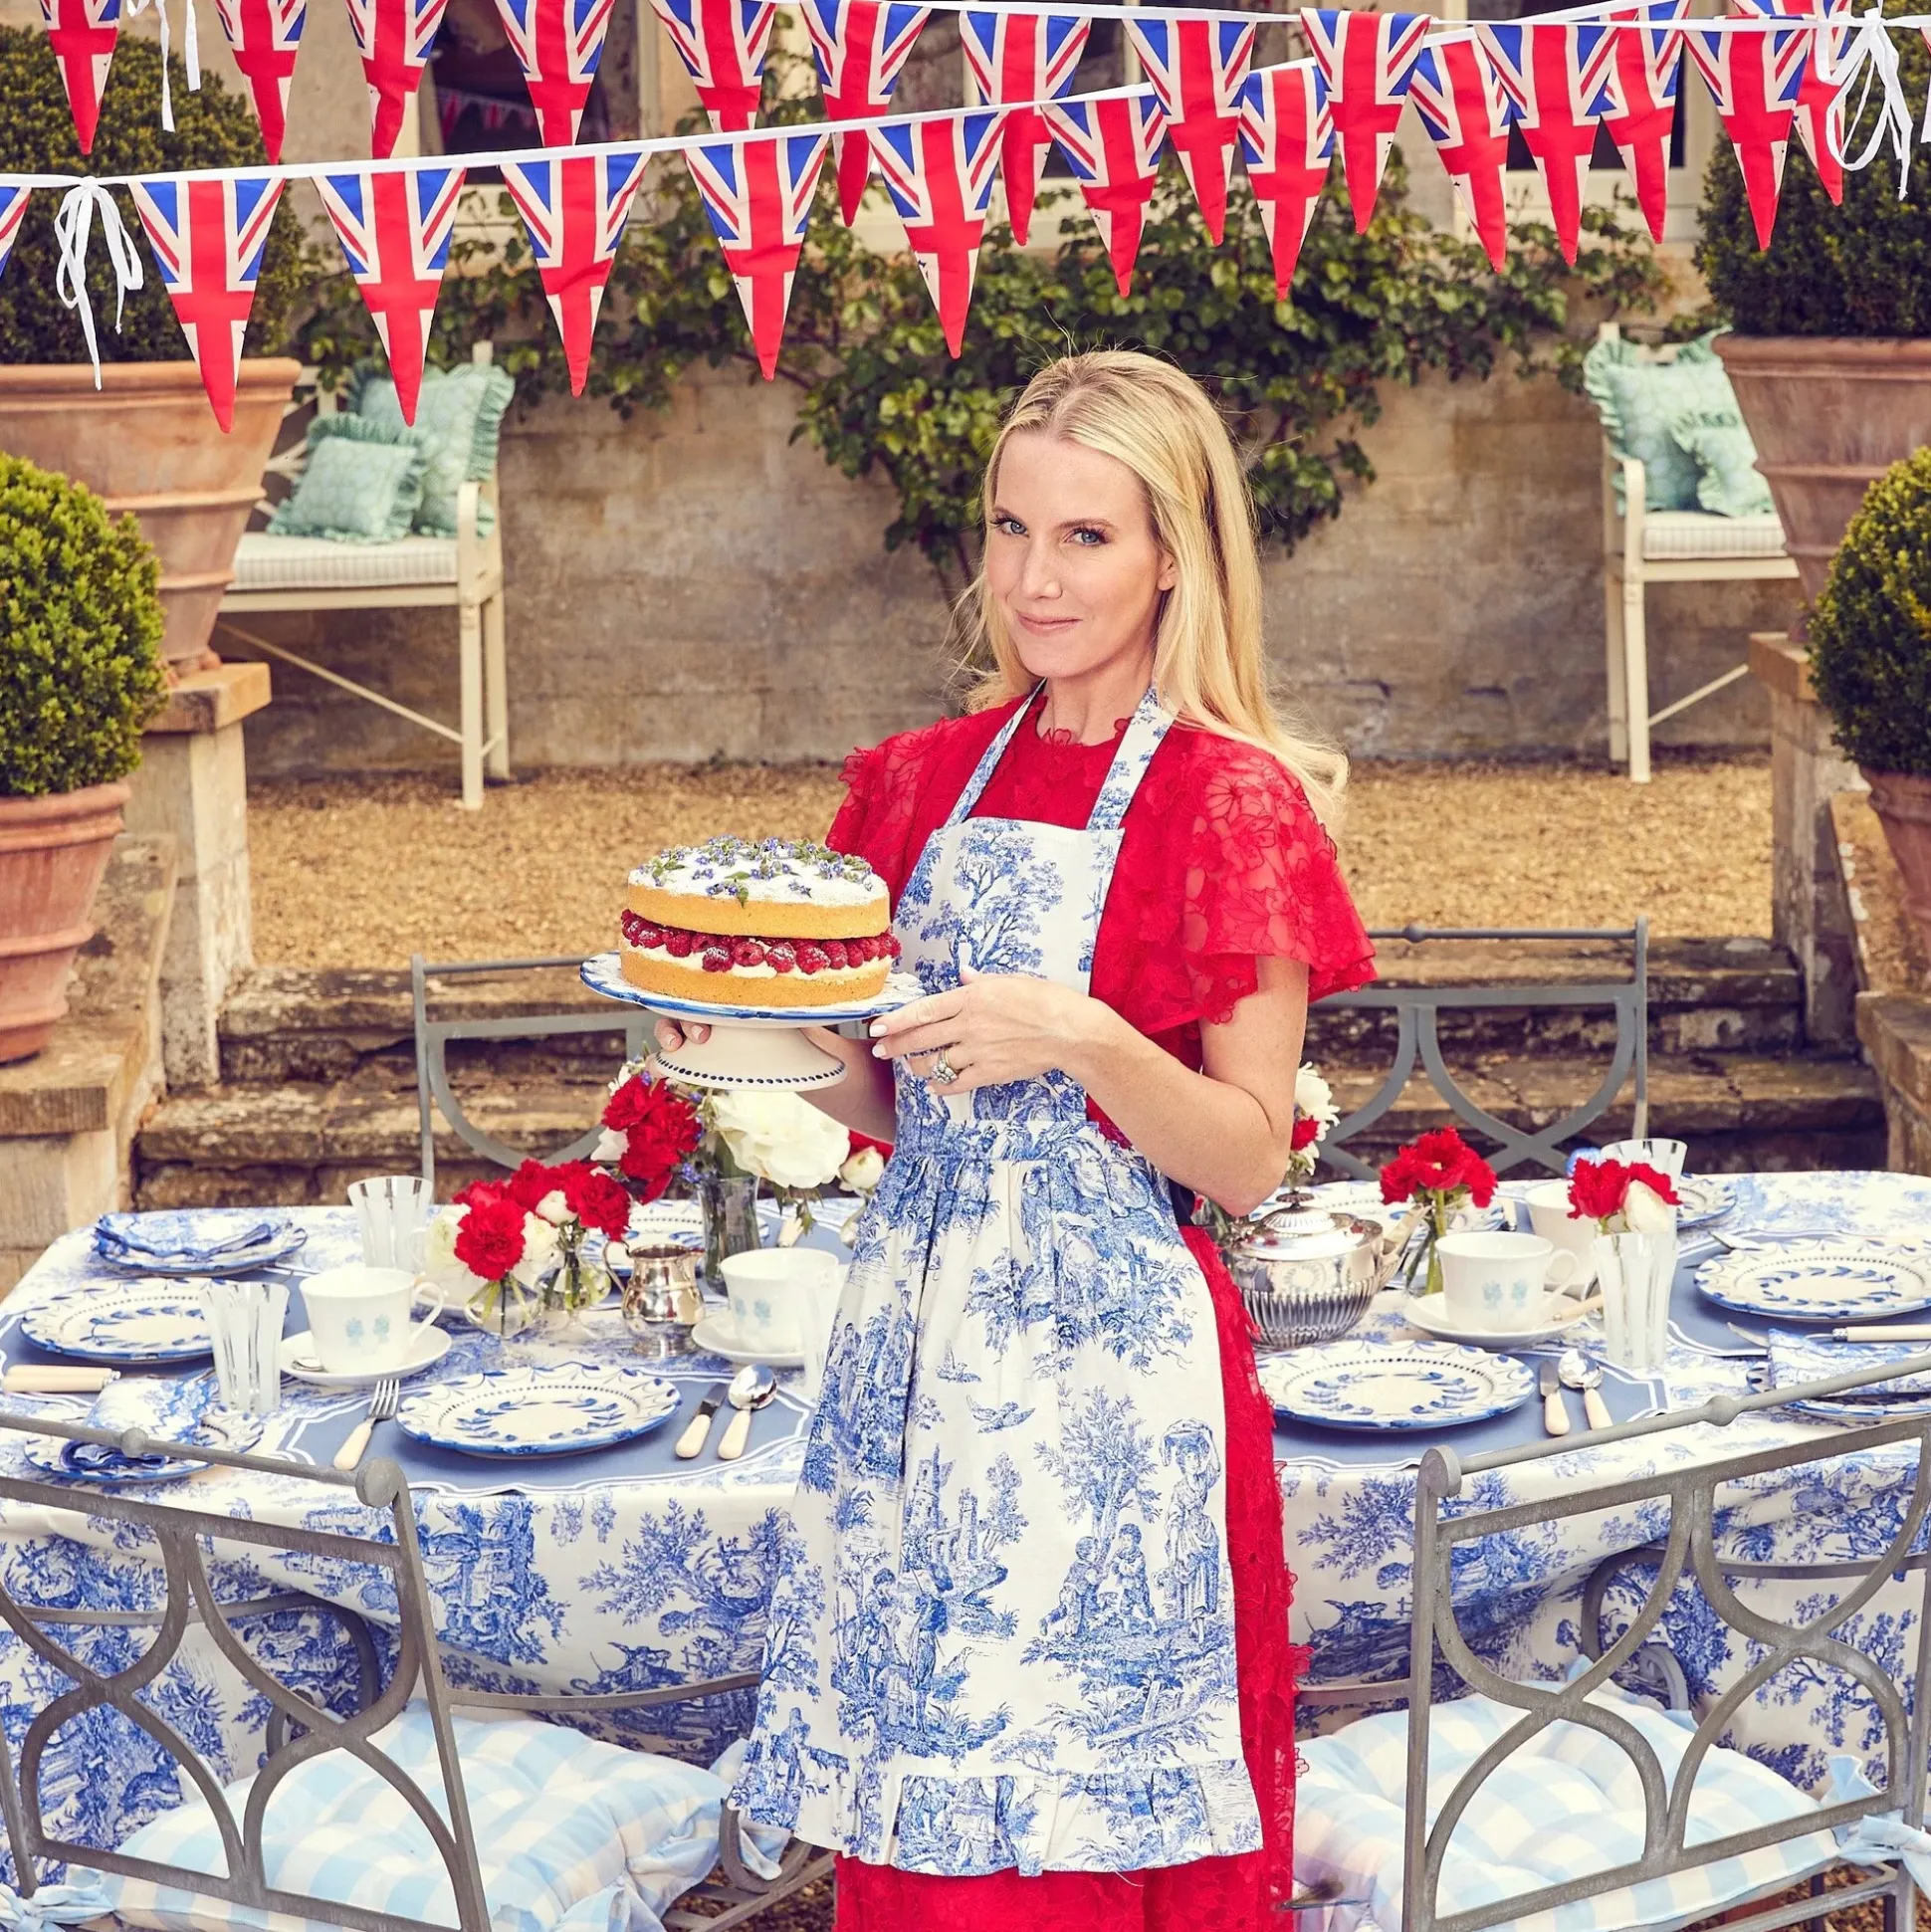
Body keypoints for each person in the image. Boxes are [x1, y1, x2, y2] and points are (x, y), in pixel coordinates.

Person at [655, 350, 1376, 1929]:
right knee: (925, 1813)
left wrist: (1085, 1036)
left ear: (1175, 554)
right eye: (1010, 529)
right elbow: (891, 1104)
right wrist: (750, 1049)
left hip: (1115, 1376)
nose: (1035, 580)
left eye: (1086, 537)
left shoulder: (1233, 805)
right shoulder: (920, 780)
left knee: (1088, 1831)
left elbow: (1248, 1158)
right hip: (913, 1352)